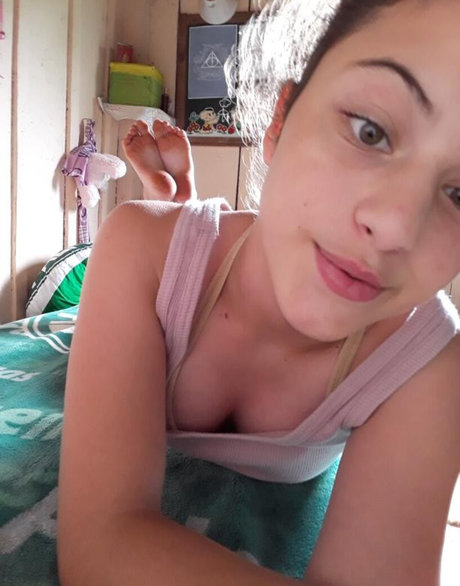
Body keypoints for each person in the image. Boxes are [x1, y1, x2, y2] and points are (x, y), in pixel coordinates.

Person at [57, 1, 460, 585]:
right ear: (280, 123)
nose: (397, 227)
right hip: (170, 273)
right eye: (369, 131)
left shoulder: (428, 361)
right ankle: (179, 203)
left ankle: (181, 197)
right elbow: (99, 544)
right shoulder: (136, 245)